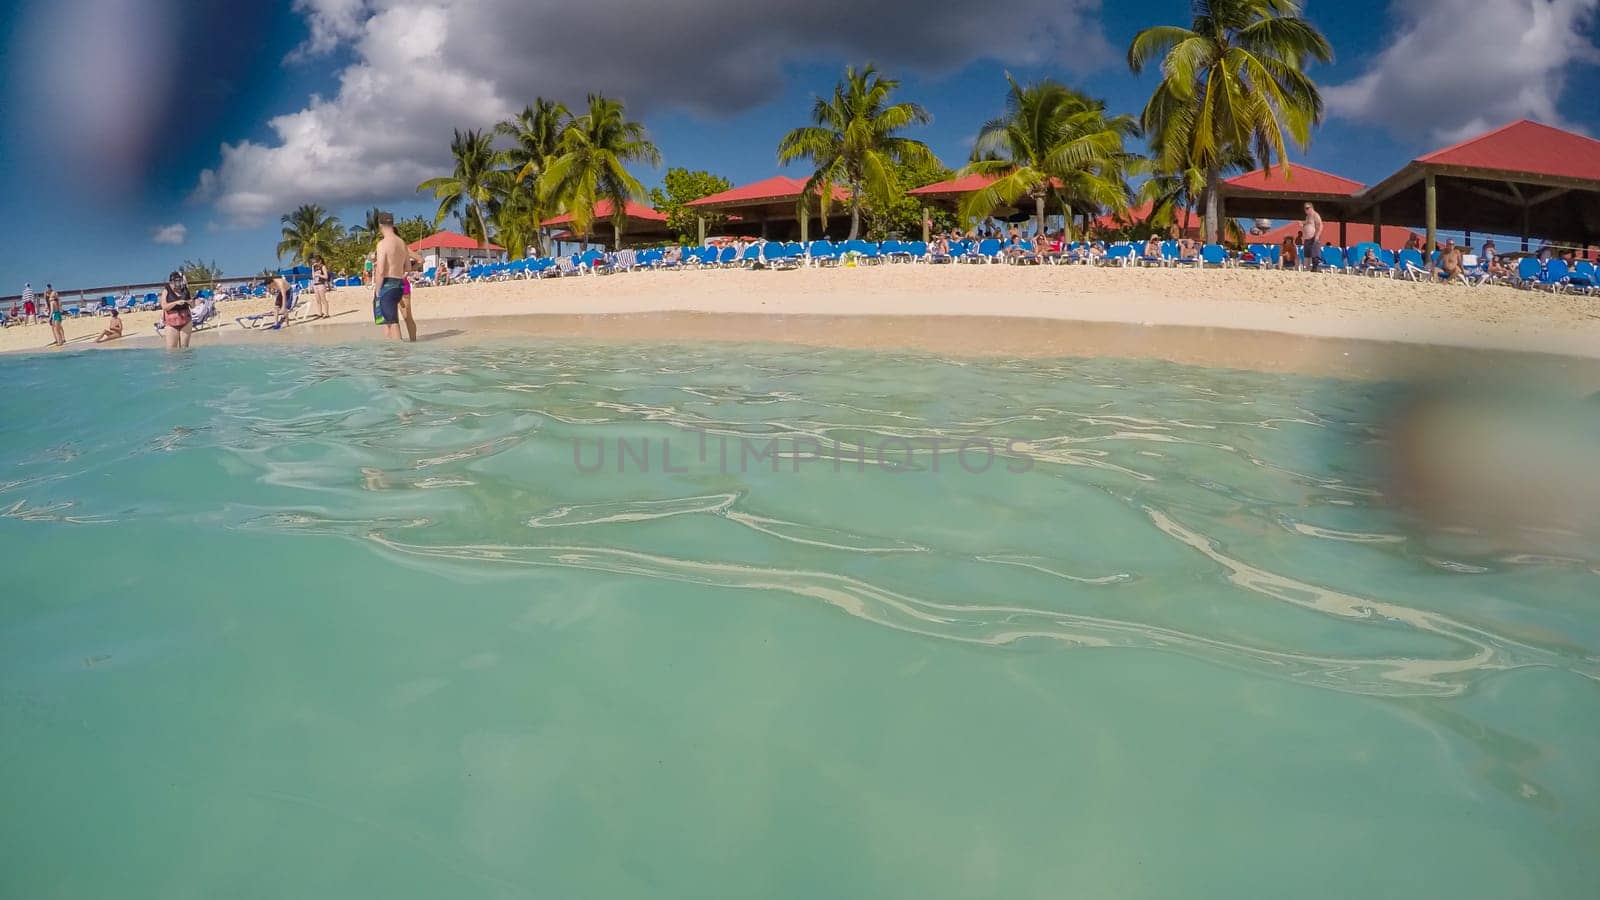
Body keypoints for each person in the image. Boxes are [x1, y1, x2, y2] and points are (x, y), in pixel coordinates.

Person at [372, 211, 410, 340]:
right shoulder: (401, 242)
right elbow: (408, 268)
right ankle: (391, 355)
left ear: (380, 224)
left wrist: (377, 291)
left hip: (386, 286)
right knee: (389, 321)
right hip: (399, 285)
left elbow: (381, 270)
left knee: (392, 322)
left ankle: (397, 355)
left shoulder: (382, 244)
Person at [159, 271, 194, 349]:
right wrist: (176, 303)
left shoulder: (185, 290)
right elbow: (164, 306)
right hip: (171, 323)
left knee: (185, 348)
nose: (178, 283)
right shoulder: (166, 291)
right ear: (172, 281)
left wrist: (191, 302)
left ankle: (185, 360)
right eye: (176, 281)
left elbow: (193, 306)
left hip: (186, 321)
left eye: (179, 281)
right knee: (172, 349)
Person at [1301, 202, 1324, 272]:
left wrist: (1317, 235)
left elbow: (1320, 225)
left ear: (1312, 208)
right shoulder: (1307, 217)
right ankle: (1307, 270)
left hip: (1313, 238)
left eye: (1307, 208)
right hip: (1307, 239)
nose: (1306, 210)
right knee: (1307, 255)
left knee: (1314, 255)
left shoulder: (1315, 215)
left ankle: (1315, 269)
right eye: (1305, 208)